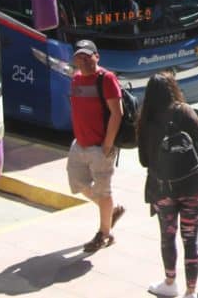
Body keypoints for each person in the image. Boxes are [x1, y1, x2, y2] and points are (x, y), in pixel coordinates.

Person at [137, 73, 198, 298]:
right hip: (191, 186)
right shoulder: (183, 111)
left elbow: (143, 160)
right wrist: (187, 161)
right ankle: (191, 291)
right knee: (191, 237)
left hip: (162, 189)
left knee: (168, 236)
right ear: (172, 88)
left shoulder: (145, 119)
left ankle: (170, 283)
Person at [66, 39, 125, 254]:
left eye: (88, 57)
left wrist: (107, 144)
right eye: (79, 58)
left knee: (103, 191)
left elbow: (117, 113)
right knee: (78, 183)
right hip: (80, 144)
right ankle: (108, 212)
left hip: (101, 147)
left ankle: (104, 234)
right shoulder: (76, 79)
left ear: (97, 56)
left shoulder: (106, 79)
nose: (84, 61)